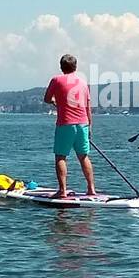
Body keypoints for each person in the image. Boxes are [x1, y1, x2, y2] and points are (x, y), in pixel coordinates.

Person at [43, 54, 96, 199]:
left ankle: (62, 191)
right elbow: (88, 107)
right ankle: (91, 189)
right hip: (83, 123)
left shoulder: (56, 80)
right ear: (75, 67)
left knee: (60, 157)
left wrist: (55, 101)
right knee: (84, 157)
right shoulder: (83, 83)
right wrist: (90, 126)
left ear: (61, 67)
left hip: (65, 123)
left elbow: (47, 98)